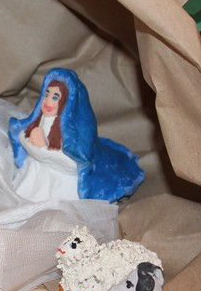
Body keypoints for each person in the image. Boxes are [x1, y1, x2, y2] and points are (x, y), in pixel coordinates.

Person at [8, 68, 144, 202]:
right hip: (35, 174)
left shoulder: (70, 132)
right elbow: (22, 136)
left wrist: (41, 148)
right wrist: (32, 141)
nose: (48, 102)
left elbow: (74, 165)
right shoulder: (39, 120)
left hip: (60, 181)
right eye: (47, 94)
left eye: (55, 97)